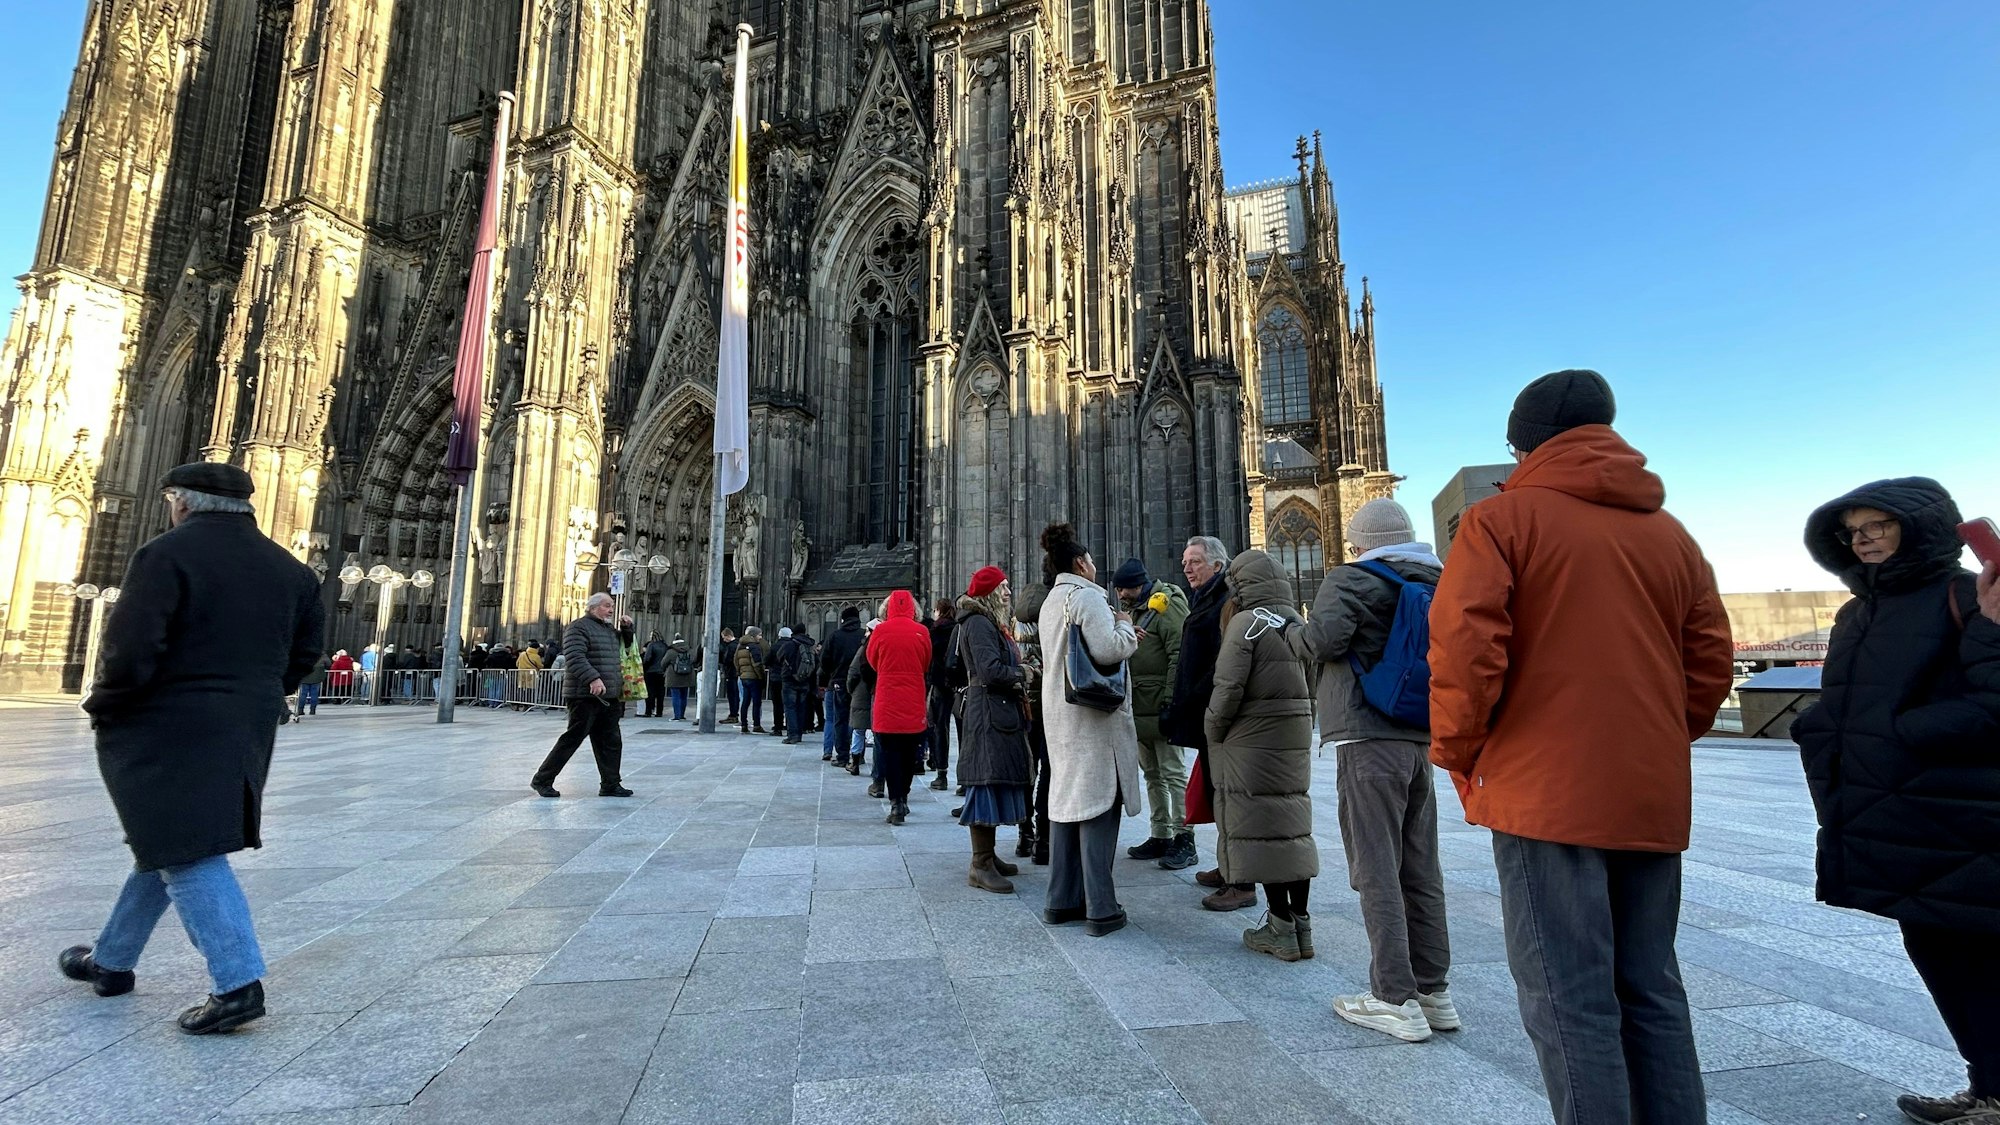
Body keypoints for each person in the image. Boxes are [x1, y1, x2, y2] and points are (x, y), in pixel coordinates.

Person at [1428, 369, 1734, 1125]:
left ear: (1524, 443)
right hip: (1648, 795)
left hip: (1545, 796)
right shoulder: (1672, 534)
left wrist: (1464, 754)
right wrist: (1650, 743)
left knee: (1570, 997)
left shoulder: (1501, 522)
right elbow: (1709, 667)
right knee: (1653, 987)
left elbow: (1467, 656)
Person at [64, 462, 323, 1034]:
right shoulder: (294, 572)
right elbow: (307, 658)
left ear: (181, 501)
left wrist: (105, 704)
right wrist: (255, 693)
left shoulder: (166, 555)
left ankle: (237, 984)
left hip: (163, 723)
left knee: (188, 850)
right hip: (247, 724)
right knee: (167, 840)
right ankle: (111, 961)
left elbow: (130, 649)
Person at [1792, 478, 2000, 1125]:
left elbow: (1992, 703)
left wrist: (1904, 731)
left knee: (1980, 955)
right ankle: (1986, 1084)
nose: (1865, 538)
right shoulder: (1856, 613)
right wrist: (1820, 730)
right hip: (1894, 815)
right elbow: (1849, 703)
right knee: (1933, 947)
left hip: (1963, 814)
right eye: (1855, 529)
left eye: (1880, 525)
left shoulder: (1968, 594)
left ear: (1923, 527)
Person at [1303, 498, 1456, 1042]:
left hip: (1368, 736)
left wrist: (1294, 631)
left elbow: (1321, 641)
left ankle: (1393, 997)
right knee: (1420, 866)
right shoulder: (1439, 580)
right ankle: (1434, 992)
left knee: (1376, 866)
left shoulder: (1351, 580)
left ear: (1359, 543)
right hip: (1419, 735)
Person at [1204, 548, 1318, 961]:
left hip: (1251, 742)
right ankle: (1303, 927)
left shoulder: (1245, 624)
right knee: (1291, 829)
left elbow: (1227, 690)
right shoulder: (1296, 621)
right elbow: (1312, 683)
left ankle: (1280, 928)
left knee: (1262, 832)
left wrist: (1213, 730)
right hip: (1292, 736)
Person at [1037, 524, 1142, 937]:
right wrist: (1126, 626)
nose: (1097, 566)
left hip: (1063, 717)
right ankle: (1101, 907)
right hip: (1094, 719)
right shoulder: (1087, 597)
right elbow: (1110, 649)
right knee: (1100, 805)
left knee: (1066, 806)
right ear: (1082, 564)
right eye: (1093, 560)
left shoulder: (1052, 601)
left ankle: (1061, 900)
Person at [1164, 536, 1246, 908]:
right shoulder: (1206, 598)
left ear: (1216, 565)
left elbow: (1221, 665)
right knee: (1217, 795)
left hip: (1218, 714)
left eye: (1195, 561)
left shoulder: (1226, 602)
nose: (1187, 567)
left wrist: (1196, 698)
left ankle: (1240, 881)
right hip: (1206, 714)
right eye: (1185, 561)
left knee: (1230, 801)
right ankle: (1227, 867)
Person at [955, 566, 1034, 894]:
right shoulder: (978, 623)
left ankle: (989, 855)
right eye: (1002, 587)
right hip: (988, 712)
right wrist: (1024, 673)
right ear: (987, 593)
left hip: (996, 712)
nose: (1009, 592)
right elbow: (990, 671)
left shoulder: (988, 622)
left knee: (995, 779)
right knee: (985, 783)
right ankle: (980, 863)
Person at [1110, 558, 1191, 868]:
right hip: (1139, 706)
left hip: (1160, 703)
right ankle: (1161, 833)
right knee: (1153, 774)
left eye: (1122, 589)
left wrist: (1172, 701)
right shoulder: (1136, 612)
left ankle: (1185, 836)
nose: (1119, 595)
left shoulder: (1167, 604)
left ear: (1137, 586)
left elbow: (1178, 653)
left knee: (1172, 772)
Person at [529, 592, 634, 799]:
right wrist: (593, 678)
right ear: (593, 607)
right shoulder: (578, 627)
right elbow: (575, 657)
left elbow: (625, 647)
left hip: (608, 695)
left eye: (612, 606)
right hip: (584, 694)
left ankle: (611, 784)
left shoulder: (608, 629)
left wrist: (627, 629)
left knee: (611, 740)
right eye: (607, 606)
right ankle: (542, 779)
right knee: (573, 738)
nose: (611, 610)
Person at [869, 592, 933, 825]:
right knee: (909, 755)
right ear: (913, 609)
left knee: (889, 754)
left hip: (887, 701)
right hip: (913, 700)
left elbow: (872, 660)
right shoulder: (922, 632)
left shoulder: (880, 631)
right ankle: (903, 797)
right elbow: (926, 662)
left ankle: (895, 802)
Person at [1013, 583, 1051, 862]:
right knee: (1049, 774)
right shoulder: (1053, 616)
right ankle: (1045, 839)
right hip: (1050, 709)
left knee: (1027, 773)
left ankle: (1025, 834)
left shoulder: (1013, 623)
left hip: (1023, 708)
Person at [822, 606, 866, 765]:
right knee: (859, 719)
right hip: (860, 684)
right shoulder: (863, 635)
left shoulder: (835, 636)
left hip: (839, 682)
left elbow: (824, 661)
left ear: (843, 619)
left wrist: (832, 675)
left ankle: (842, 756)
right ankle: (857, 755)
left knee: (840, 719)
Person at [927, 598, 959, 792]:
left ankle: (942, 774)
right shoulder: (959, 628)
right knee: (965, 731)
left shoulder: (935, 631)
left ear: (939, 610)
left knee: (941, 728)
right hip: (960, 684)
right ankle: (964, 780)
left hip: (940, 684)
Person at [777, 625, 815, 744]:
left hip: (789, 679)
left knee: (790, 708)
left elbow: (779, 657)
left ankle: (792, 735)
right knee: (801, 707)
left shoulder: (789, 644)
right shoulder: (809, 645)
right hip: (805, 680)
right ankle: (799, 734)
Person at [735, 627, 769, 733]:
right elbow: (757, 664)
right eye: (759, 635)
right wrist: (761, 676)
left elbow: (736, 660)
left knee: (745, 701)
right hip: (754, 678)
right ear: (754, 635)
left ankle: (744, 725)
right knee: (756, 702)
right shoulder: (754, 647)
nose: (760, 637)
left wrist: (740, 672)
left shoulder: (740, 645)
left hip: (744, 677)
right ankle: (757, 725)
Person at [663, 634, 697, 721]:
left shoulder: (671, 652)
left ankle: (676, 716)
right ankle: (682, 715)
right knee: (684, 696)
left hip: (674, 676)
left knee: (676, 696)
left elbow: (663, 663)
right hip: (687, 676)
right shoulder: (690, 651)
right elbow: (694, 660)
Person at [767, 627, 792, 738]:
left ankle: (778, 727)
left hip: (776, 678)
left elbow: (766, 660)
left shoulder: (775, 646)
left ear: (779, 635)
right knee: (789, 704)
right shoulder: (792, 646)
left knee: (777, 704)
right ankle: (790, 726)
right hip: (789, 678)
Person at [640, 632, 669, 718]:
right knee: (661, 693)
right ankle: (659, 712)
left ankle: (648, 711)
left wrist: (644, 667)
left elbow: (647, 658)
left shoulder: (651, 645)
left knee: (650, 692)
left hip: (651, 672)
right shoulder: (665, 646)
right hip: (662, 672)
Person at [295, 651, 330, 719]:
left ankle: (300, 710)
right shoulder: (322, 655)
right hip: (316, 678)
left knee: (303, 694)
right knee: (314, 694)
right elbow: (328, 664)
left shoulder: (304, 653)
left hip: (305, 677)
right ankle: (312, 710)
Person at [719, 627, 741, 723]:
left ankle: (733, 714)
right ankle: (734, 714)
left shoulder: (731, 646)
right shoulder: (738, 644)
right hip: (737, 672)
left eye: (724, 637)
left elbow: (727, 660)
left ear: (728, 636)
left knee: (732, 695)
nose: (724, 640)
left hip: (731, 673)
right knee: (735, 694)